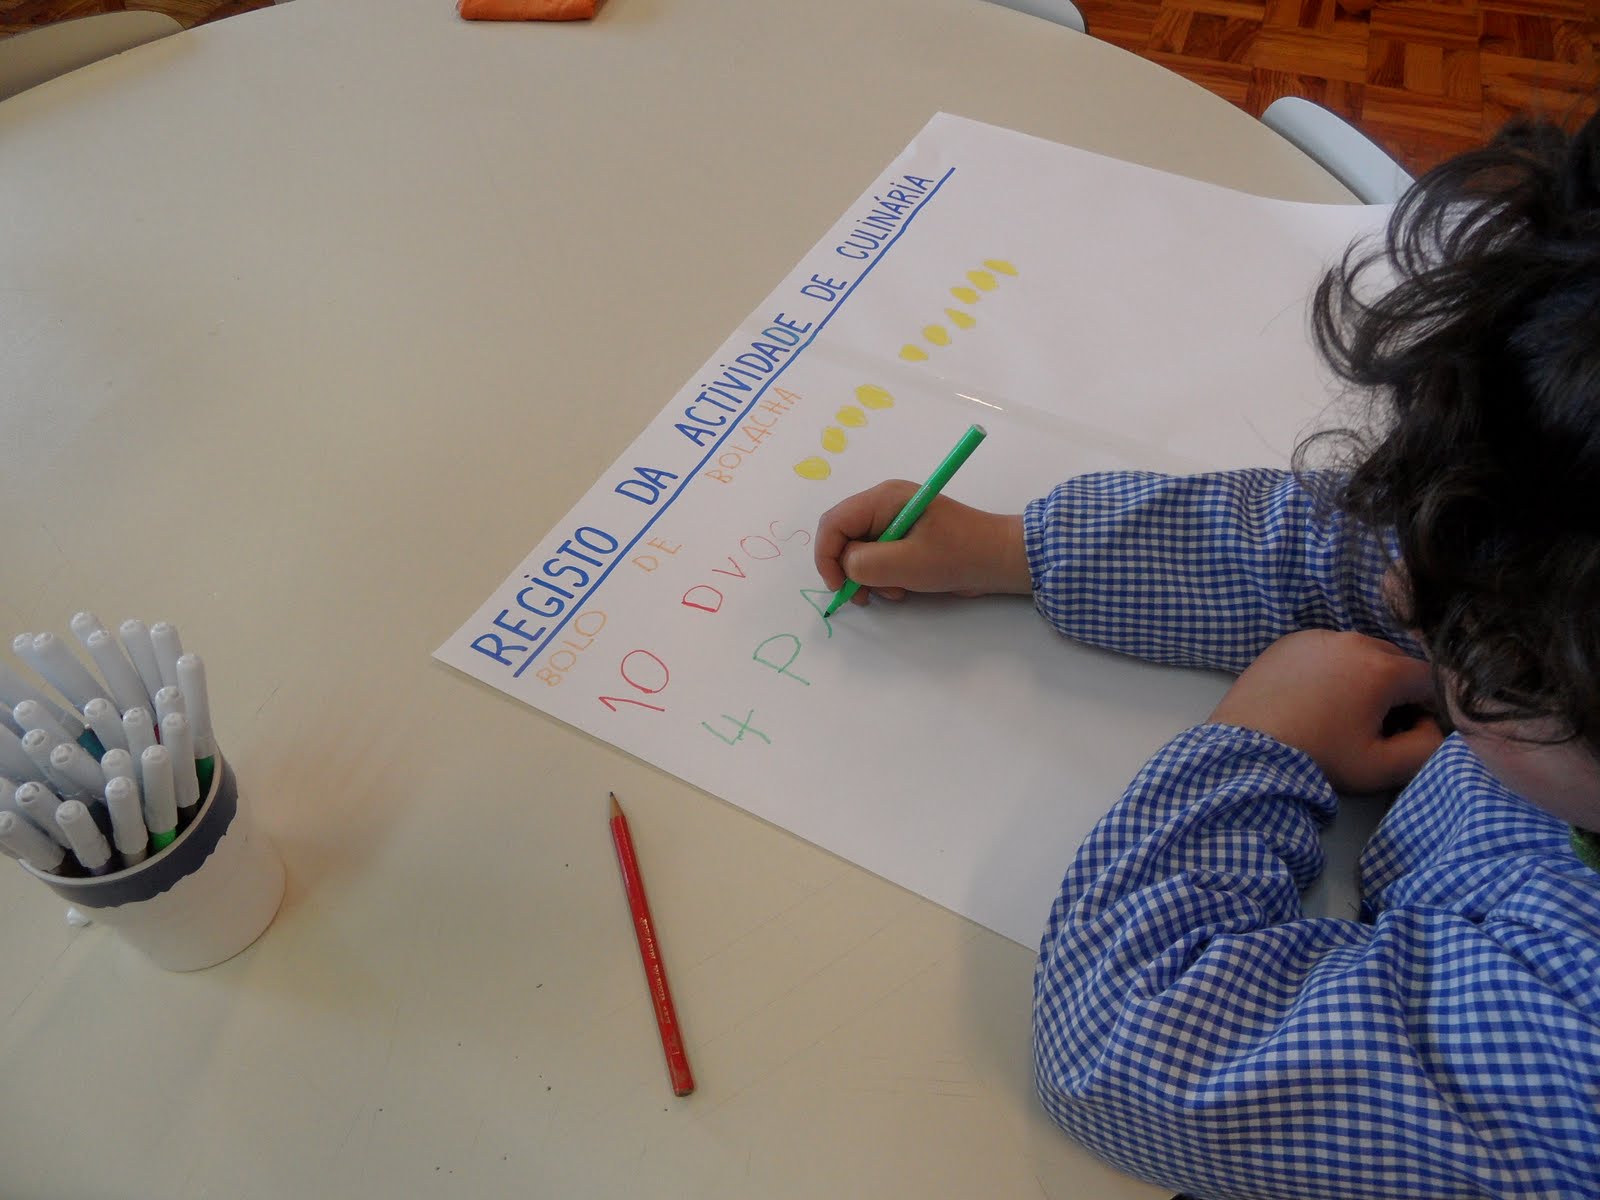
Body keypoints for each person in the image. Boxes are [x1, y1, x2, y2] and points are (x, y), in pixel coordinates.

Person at [813, 111, 1600, 1200]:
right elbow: (1357, 543)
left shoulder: (1571, 1060)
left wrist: (1262, 738)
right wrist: (1019, 549)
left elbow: (1141, 1044)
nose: (1396, 594)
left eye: (1485, 651)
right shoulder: (1560, 529)